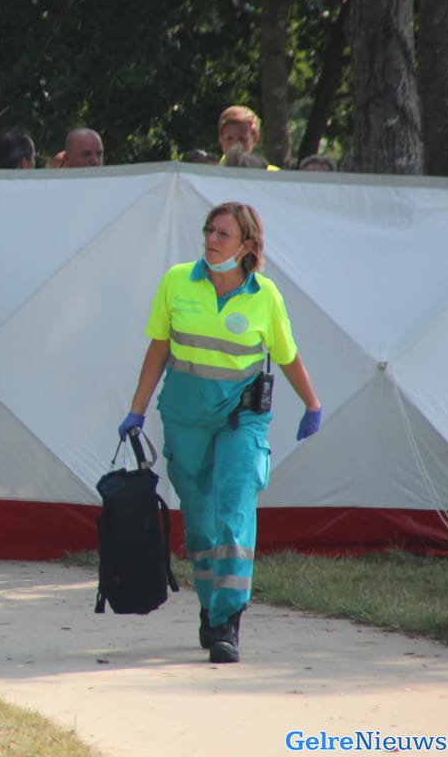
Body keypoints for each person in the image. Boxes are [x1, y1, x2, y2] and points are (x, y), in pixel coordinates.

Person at [118, 201, 322, 664]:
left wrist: (312, 404)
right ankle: (211, 605)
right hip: (186, 418)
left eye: (223, 234)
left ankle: (227, 619)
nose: (211, 239)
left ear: (247, 245)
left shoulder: (265, 295)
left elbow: (287, 354)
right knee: (201, 523)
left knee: (234, 510)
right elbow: (159, 347)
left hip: (240, 419)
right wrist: (136, 410)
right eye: (209, 230)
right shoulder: (177, 281)